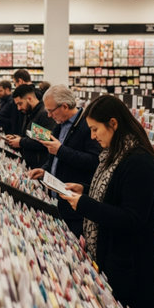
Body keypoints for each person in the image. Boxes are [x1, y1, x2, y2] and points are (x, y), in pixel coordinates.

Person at [60, 95, 154, 308]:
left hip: (130, 269)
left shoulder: (138, 162)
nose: (93, 137)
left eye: (95, 129)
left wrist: (84, 204)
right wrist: (86, 190)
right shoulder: (114, 155)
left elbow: (132, 218)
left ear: (113, 124)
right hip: (114, 260)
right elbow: (114, 194)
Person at [28, 84, 100, 237]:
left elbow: (94, 162)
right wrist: (45, 169)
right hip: (57, 201)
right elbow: (54, 156)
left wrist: (61, 151)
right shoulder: (59, 124)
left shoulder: (87, 126)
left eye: (50, 110)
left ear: (65, 106)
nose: (48, 115)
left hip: (75, 207)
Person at [6, 84, 55, 168]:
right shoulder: (29, 113)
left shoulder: (44, 114)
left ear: (29, 99)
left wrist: (21, 142)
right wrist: (18, 138)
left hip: (39, 166)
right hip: (31, 164)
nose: (18, 108)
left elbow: (45, 141)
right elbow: (32, 136)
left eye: (20, 104)